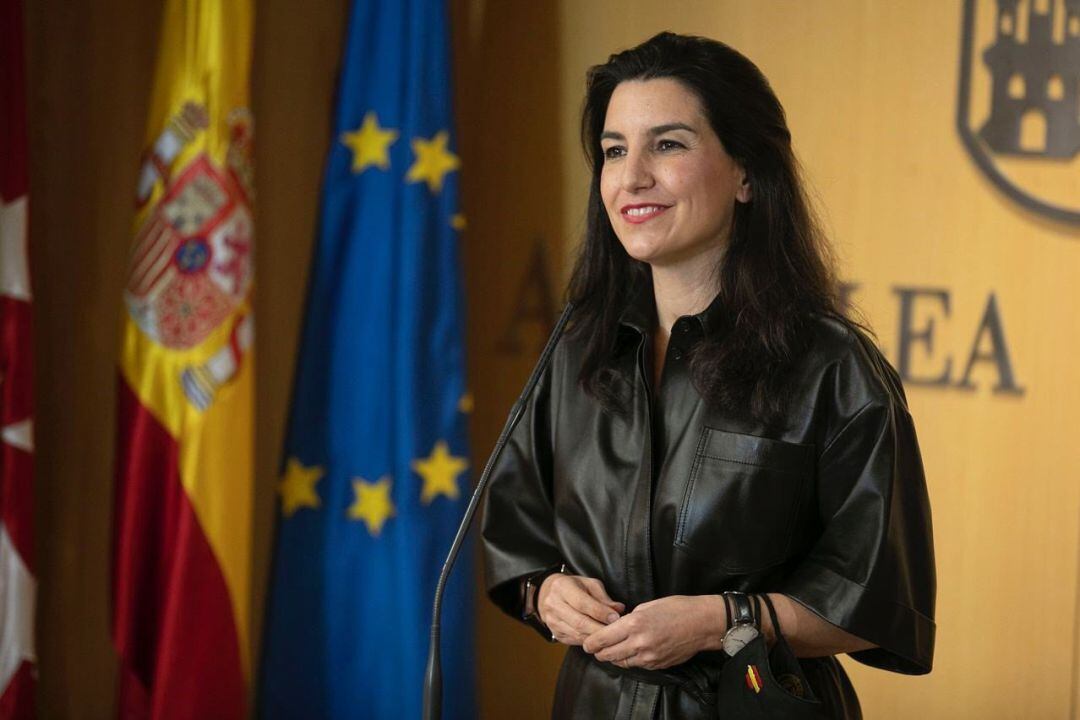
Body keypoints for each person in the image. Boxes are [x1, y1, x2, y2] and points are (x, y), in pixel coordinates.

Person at [481, 31, 935, 719]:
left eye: (667, 144)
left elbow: (876, 602)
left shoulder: (832, 366)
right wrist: (545, 592)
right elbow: (516, 541)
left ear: (747, 173)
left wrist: (720, 619)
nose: (631, 176)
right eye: (613, 150)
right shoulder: (574, 350)